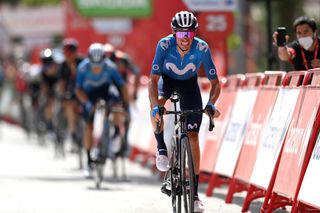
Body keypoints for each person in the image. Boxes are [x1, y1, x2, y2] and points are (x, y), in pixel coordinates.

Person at [148, 11, 221, 212]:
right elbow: (153, 81)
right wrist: (156, 105)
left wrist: (212, 103)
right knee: (158, 107)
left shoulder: (202, 47)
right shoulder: (164, 45)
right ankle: (161, 147)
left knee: (194, 137)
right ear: (174, 34)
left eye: (189, 34)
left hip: (190, 85)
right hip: (167, 82)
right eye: (181, 35)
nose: (185, 39)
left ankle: (195, 195)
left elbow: (215, 83)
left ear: (194, 34)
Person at [75, 43, 129, 177]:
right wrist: (87, 103)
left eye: (99, 66)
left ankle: (116, 131)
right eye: (94, 66)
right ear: (89, 60)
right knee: (88, 126)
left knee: (117, 106)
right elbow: (78, 90)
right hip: (89, 94)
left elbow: (122, 87)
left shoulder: (110, 67)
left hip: (106, 91)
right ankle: (88, 160)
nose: (97, 69)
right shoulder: (82, 68)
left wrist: (125, 105)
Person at [104, 43, 141, 156]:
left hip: (122, 88)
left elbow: (136, 72)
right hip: (108, 88)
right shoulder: (101, 61)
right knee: (107, 111)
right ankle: (109, 138)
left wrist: (134, 92)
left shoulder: (122, 58)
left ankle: (124, 137)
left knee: (126, 112)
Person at [57, 38, 83, 149]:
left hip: (82, 89)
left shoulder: (82, 62)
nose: (68, 55)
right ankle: (72, 132)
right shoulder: (63, 65)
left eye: (70, 52)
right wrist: (62, 96)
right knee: (69, 105)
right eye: (66, 52)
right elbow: (62, 83)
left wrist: (73, 66)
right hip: (70, 91)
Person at [39, 48, 59, 132]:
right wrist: (43, 95)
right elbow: (44, 85)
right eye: (45, 62)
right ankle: (50, 124)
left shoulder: (58, 67)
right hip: (50, 86)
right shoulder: (43, 72)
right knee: (48, 103)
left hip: (57, 84)